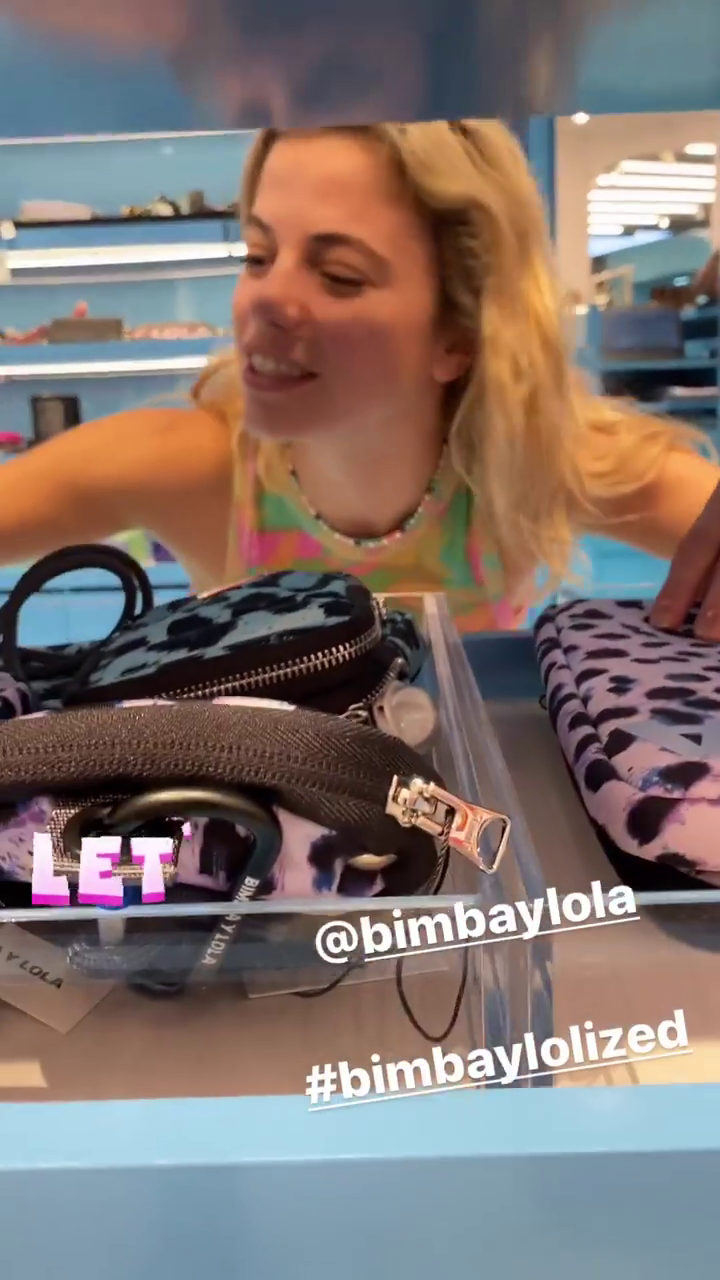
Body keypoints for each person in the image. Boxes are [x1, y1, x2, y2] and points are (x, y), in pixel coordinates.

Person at [0, 118, 718, 633]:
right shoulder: (194, 468)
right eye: (258, 256)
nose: (264, 301)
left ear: (458, 336)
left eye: (340, 274)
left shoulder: (537, 460)